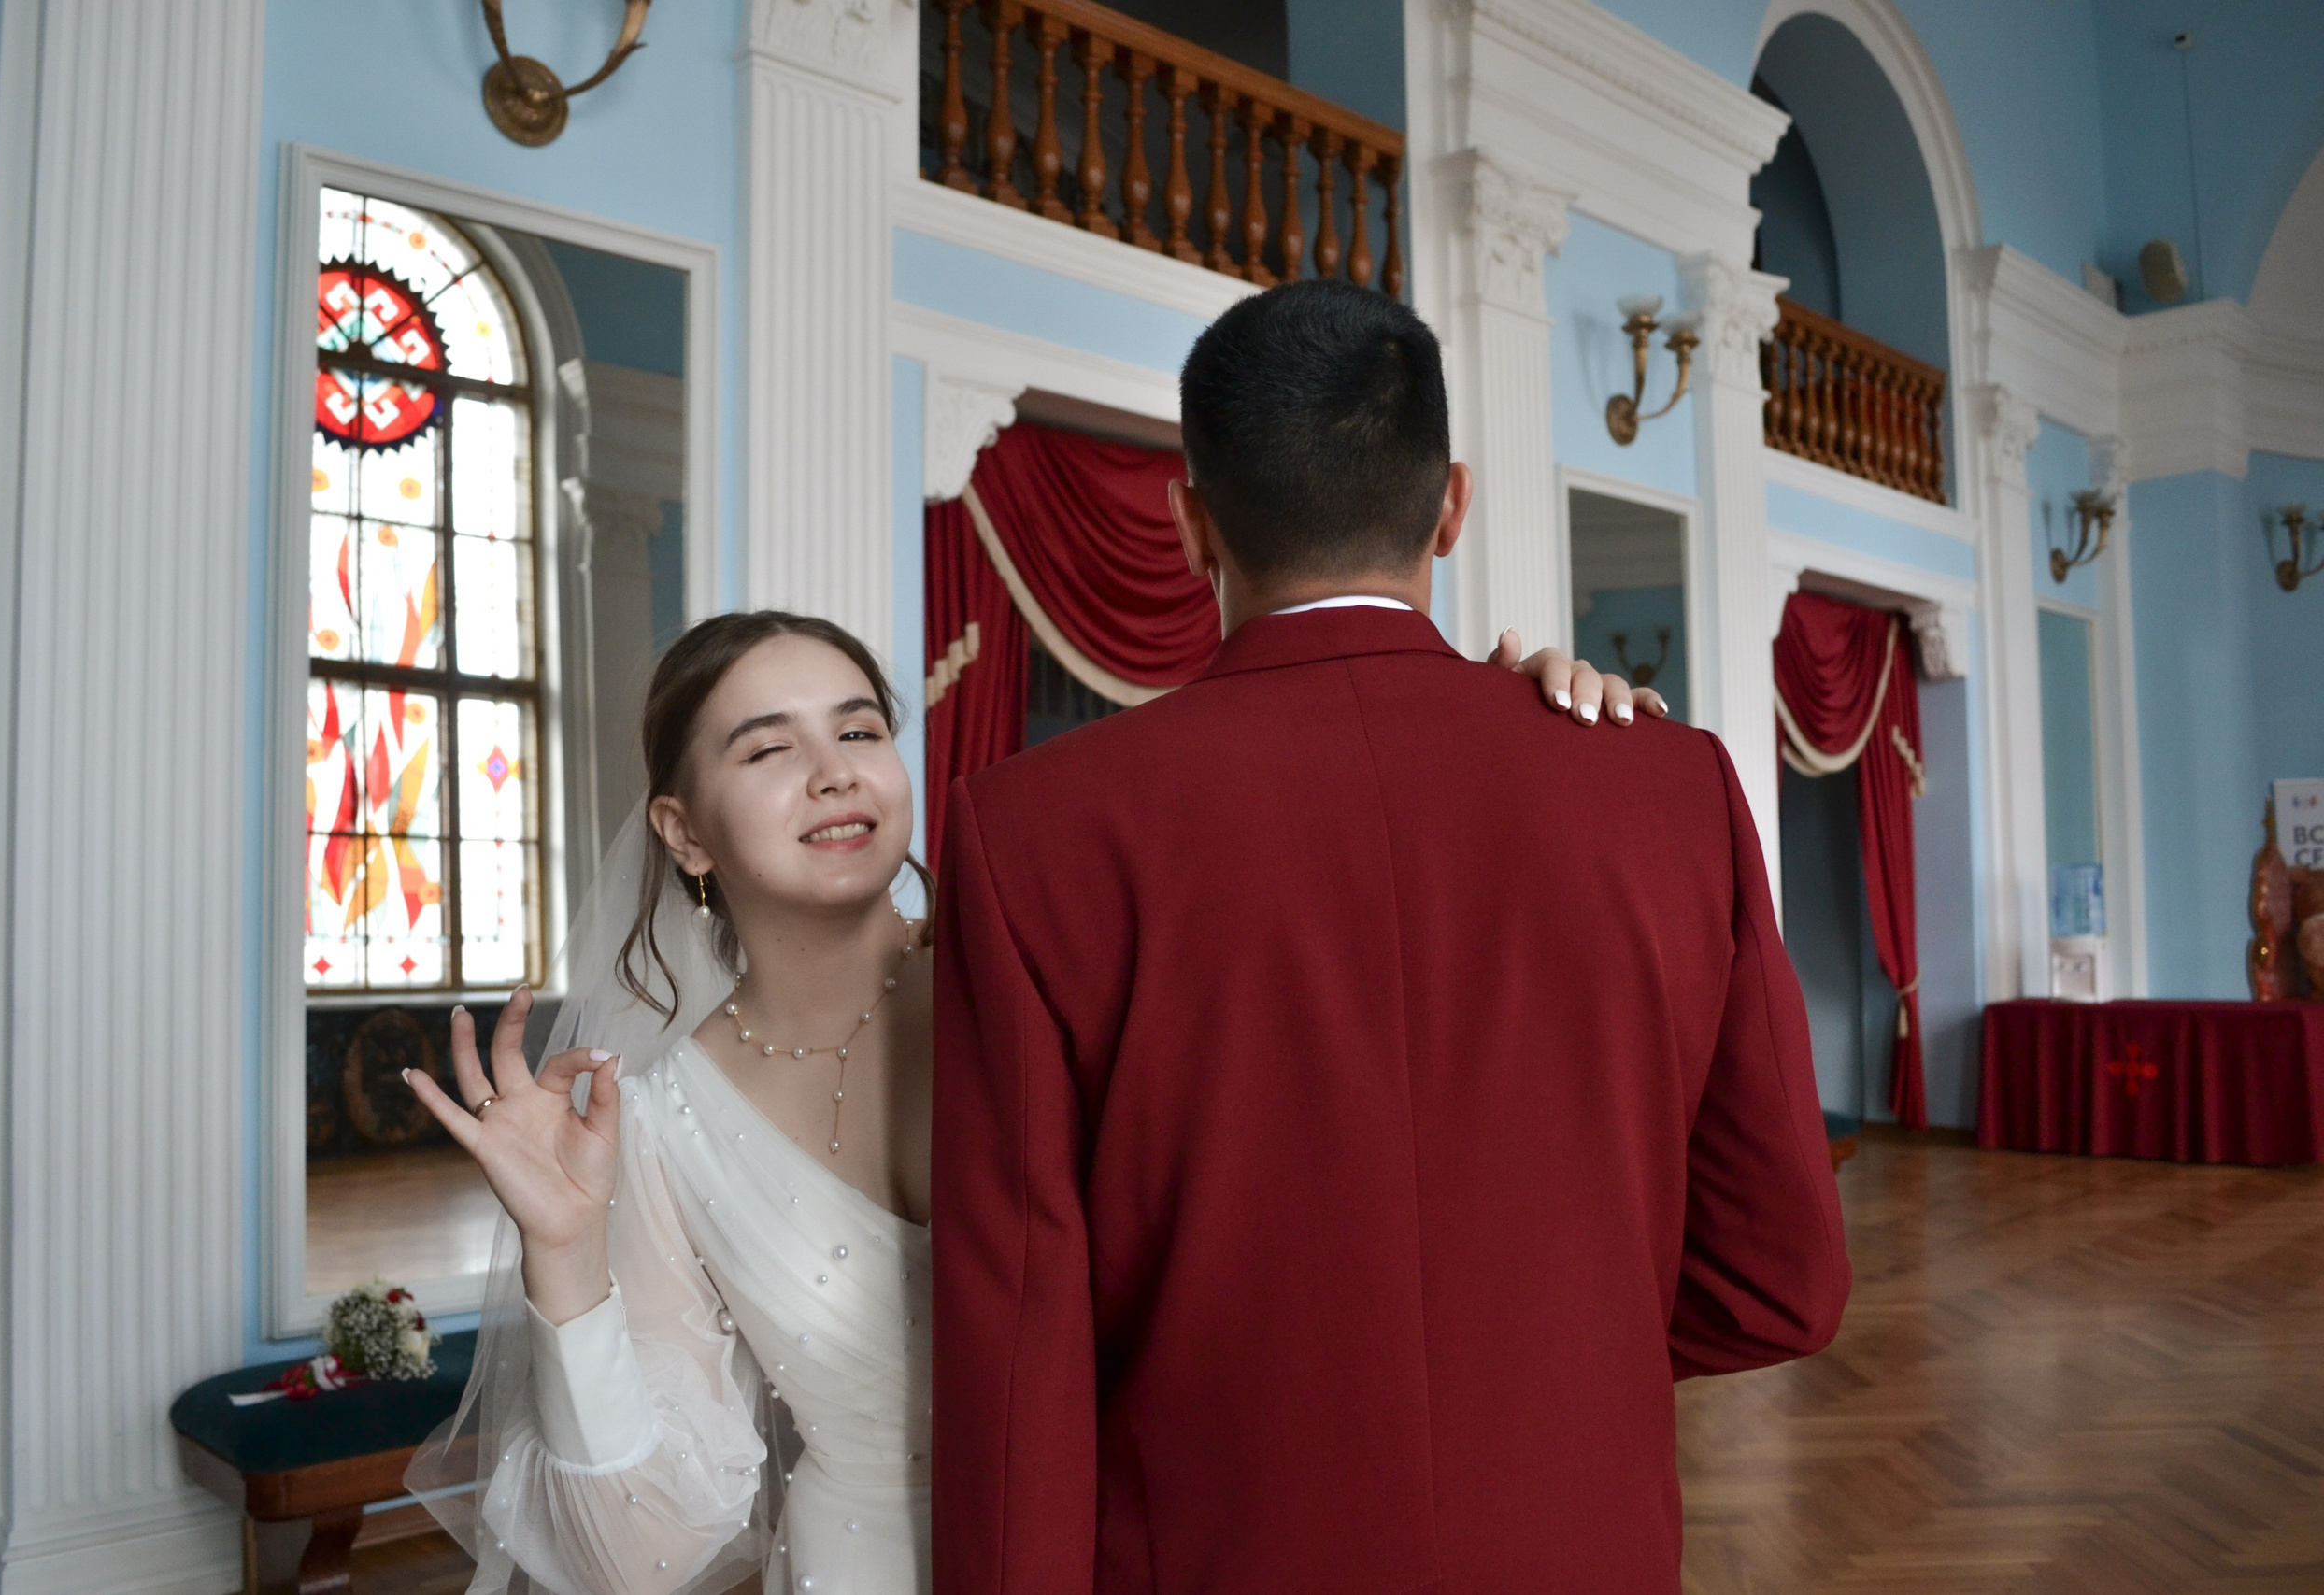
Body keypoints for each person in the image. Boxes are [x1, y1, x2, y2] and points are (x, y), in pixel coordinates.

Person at [402, 604, 1658, 1594]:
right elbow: (645, 1554)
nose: (834, 774)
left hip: (1168, 1546)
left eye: (857, 730)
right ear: (683, 832)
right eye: (770, 748)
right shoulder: (666, 1121)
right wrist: (565, 1256)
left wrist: (1507, 732)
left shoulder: (1059, 968)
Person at [932, 280, 1853, 1595]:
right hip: (1581, 1544)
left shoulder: (1029, 832)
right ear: (1451, 506)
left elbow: (1017, 1344)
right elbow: (1785, 1281)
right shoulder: (1672, 788)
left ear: (1190, 526)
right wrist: (1555, 1358)